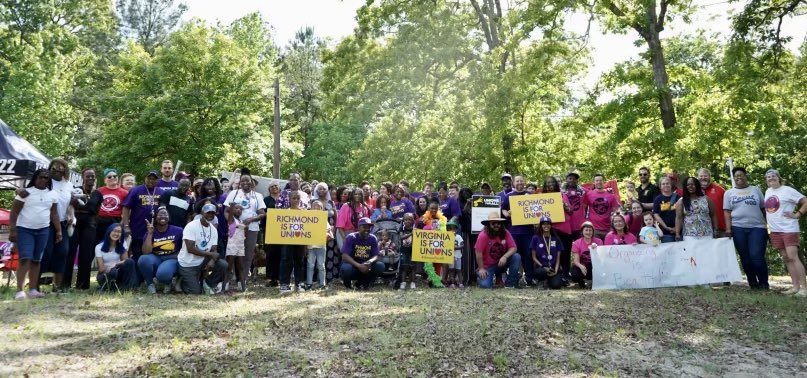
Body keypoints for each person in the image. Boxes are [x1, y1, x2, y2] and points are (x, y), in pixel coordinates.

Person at [9, 169, 61, 299]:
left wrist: (59, 230)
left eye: (46, 178)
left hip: (43, 230)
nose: (43, 180)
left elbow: (54, 213)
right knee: (25, 258)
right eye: (41, 177)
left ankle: (33, 290)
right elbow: (14, 212)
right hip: (25, 229)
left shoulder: (52, 194)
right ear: (35, 178)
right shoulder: (25, 193)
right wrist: (12, 230)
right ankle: (20, 291)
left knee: (36, 260)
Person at [724, 167, 769, 290]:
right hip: (738, 228)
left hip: (757, 227)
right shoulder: (729, 193)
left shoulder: (755, 189)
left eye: (741, 175)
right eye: (736, 176)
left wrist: (768, 225)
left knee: (756, 256)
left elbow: (763, 208)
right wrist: (728, 229)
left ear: (745, 175)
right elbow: (727, 212)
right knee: (745, 258)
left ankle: (764, 283)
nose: (739, 177)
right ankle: (753, 283)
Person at [763, 169, 807, 296]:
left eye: (773, 176)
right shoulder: (768, 191)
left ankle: (804, 288)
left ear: (779, 177)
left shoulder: (787, 190)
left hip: (788, 229)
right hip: (775, 230)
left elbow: (805, 201)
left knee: (793, 257)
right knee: (787, 258)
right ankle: (795, 287)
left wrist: (797, 214)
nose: (770, 178)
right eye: (768, 177)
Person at [35, 159, 74, 293]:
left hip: (62, 223)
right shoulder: (45, 181)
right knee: (45, 252)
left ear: (65, 169)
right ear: (49, 168)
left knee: (62, 252)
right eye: (54, 167)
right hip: (45, 222)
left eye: (61, 167)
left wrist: (71, 214)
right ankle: (35, 285)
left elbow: (69, 203)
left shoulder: (68, 184)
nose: (57, 169)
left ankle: (57, 286)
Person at [64, 168, 102, 290]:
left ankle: (83, 285)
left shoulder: (98, 193)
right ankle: (65, 284)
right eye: (88, 176)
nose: (90, 178)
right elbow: (70, 204)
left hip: (89, 225)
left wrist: (80, 203)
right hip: (74, 224)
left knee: (86, 255)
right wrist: (81, 203)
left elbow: (91, 208)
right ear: (83, 177)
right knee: (70, 253)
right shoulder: (76, 189)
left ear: (95, 178)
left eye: (92, 176)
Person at [224, 172, 266, 282]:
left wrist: (251, 219)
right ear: (240, 183)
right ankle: (231, 277)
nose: (245, 182)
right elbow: (226, 211)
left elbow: (262, 213)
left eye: (248, 180)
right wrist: (232, 222)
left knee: (248, 254)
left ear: (252, 182)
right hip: (236, 229)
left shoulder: (258, 196)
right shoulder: (234, 193)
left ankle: (243, 279)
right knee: (232, 253)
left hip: (252, 228)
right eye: (243, 180)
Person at [177, 204, 227, 295]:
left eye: (213, 213)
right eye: (208, 213)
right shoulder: (191, 226)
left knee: (223, 264)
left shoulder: (213, 229)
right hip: (188, 263)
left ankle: (208, 283)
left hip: (202, 260)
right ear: (202, 213)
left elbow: (214, 249)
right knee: (195, 292)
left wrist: (212, 260)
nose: (210, 215)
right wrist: (211, 255)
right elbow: (191, 249)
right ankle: (183, 281)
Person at [500, 175, 535, 285]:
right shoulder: (509, 196)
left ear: (524, 182)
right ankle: (515, 278)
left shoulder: (530, 195)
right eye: (517, 181)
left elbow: (536, 210)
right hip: (514, 232)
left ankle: (529, 279)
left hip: (528, 231)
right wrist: (506, 214)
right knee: (516, 256)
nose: (519, 183)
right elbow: (503, 209)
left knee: (529, 255)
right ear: (514, 183)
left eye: (521, 181)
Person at [139, 207, 183, 294]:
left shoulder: (178, 230)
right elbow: (146, 252)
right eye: (160, 214)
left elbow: (184, 249)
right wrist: (150, 234)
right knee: (143, 259)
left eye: (165, 214)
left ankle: (168, 282)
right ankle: (150, 284)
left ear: (169, 218)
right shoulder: (151, 231)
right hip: (156, 257)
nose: (163, 216)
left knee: (163, 275)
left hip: (172, 258)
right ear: (155, 218)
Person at [121, 170, 161, 261]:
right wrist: (126, 226)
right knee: (137, 255)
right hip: (137, 229)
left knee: (151, 256)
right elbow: (126, 208)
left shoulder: (160, 192)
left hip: (155, 231)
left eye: (153, 179)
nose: (151, 180)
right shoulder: (136, 190)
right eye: (149, 178)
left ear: (157, 180)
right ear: (145, 179)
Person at [475, 211, 521, 289]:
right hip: (488, 266)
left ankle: (510, 283)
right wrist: (481, 268)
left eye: (498, 223)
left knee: (516, 256)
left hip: (502, 263)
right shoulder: (483, 235)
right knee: (485, 286)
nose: (496, 225)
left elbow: (514, 248)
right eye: (493, 223)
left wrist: (505, 257)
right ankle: (480, 273)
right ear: (488, 224)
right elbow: (478, 252)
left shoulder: (505, 232)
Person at [542, 176, 574, 279]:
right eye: (547, 185)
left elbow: (571, 211)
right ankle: (553, 275)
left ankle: (565, 275)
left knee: (565, 253)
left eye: (551, 184)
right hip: (550, 230)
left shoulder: (562, 195)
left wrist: (564, 205)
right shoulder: (541, 199)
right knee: (551, 253)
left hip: (565, 229)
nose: (549, 186)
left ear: (556, 185)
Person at [340, 217, 385, 289]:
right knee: (346, 268)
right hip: (353, 266)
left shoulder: (373, 238)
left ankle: (363, 283)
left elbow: (376, 255)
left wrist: (369, 262)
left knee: (380, 266)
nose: (367, 229)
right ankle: (348, 285)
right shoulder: (351, 237)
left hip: (366, 267)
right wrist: (359, 266)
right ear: (358, 227)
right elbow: (344, 256)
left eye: (369, 227)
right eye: (364, 227)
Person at [95, 223, 139, 291]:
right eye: (114, 231)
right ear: (109, 231)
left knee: (131, 262)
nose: (116, 233)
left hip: (117, 271)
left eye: (119, 232)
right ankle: (110, 287)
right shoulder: (99, 247)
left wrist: (115, 264)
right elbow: (101, 269)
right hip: (105, 274)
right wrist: (111, 267)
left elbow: (126, 261)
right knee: (113, 272)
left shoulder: (122, 245)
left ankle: (129, 287)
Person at [279, 191, 307, 294]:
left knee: (299, 260)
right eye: (293, 198)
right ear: (289, 200)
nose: (295, 200)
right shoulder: (285, 212)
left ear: (300, 200)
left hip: (300, 239)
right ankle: (284, 284)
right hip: (287, 240)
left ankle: (299, 284)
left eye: (297, 198)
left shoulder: (305, 213)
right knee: (286, 260)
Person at [675, 177, 718, 241]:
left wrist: (716, 229)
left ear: (697, 185)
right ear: (685, 187)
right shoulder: (681, 201)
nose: (690, 186)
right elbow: (679, 218)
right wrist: (677, 234)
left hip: (707, 234)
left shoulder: (706, 199)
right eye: (688, 185)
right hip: (689, 236)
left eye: (693, 184)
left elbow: (713, 215)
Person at [95, 169, 129, 247]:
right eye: (109, 177)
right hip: (100, 221)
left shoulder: (124, 192)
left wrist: (121, 224)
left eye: (115, 176)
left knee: (112, 245)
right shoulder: (99, 191)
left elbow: (127, 211)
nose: (112, 178)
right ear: (105, 180)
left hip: (115, 221)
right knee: (97, 244)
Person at [583, 174, 621, 240]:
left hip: (608, 228)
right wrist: (585, 221)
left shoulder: (610, 195)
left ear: (603, 182)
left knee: (608, 249)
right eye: (597, 180)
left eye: (600, 180)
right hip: (594, 229)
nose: (599, 182)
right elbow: (584, 208)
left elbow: (616, 210)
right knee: (596, 248)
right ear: (594, 182)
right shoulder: (589, 194)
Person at [530, 216, 563, 289]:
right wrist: (543, 267)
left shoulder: (556, 239)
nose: (546, 226)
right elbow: (534, 257)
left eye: (548, 224)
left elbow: (558, 259)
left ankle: (549, 281)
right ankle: (541, 281)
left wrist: (556, 271)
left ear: (551, 225)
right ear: (540, 226)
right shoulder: (535, 238)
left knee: (556, 286)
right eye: (544, 224)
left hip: (553, 268)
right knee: (541, 272)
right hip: (541, 267)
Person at [306, 200, 333, 290]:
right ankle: (309, 283)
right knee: (310, 265)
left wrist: (328, 234)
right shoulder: (308, 219)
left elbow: (328, 231)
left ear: (322, 209)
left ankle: (322, 283)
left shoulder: (323, 220)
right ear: (311, 208)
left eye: (319, 207)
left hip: (321, 246)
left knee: (321, 265)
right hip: (310, 246)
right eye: (315, 206)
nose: (317, 208)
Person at [570, 222, 602, 289]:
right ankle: (581, 283)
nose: (588, 232)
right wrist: (581, 266)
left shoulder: (599, 241)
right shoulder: (577, 243)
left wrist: (596, 250)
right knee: (574, 273)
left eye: (590, 230)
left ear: (593, 232)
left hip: (593, 266)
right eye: (586, 230)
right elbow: (576, 261)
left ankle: (594, 282)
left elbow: (601, 259)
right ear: (582, 231)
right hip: (582, 266)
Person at [224, 203, 247, 292]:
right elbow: (229, 217)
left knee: (241, 267)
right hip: (232, 245)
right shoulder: (232, 219)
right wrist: (231, 206)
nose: (239, 210)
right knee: (229, 266)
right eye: (236, 208)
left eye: (241, 209)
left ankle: (242, 286)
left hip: (240, 246)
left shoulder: (241, 221)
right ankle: (224, 285)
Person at [262, 182, 282, 286]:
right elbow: (262, 213)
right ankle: (270, 277)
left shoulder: (284, 199)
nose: (274, 187)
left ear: (280, 188)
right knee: (270, 253)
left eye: (276, 186)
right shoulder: (266, 200)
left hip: (282, 229)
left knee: (280, 253)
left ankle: (279, 277)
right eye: (272, 186)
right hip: (269, 228)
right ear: (269, 189)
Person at [698, 168, 726, 236]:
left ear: (710, 177)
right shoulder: (694, 191)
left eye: (705, 176)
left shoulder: (720, 190)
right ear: (697, 177)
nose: (703, 178)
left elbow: (728, 209)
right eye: (701, 176)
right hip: (701, 230)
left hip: (720, 229)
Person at [652, 177, 679, 243]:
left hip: (679, 231)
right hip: (665, 232)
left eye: (667, 183)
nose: (665, 185)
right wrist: (666, 227)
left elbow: (682, 214)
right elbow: (656, 215)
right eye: (663, 184)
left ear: (671, 185)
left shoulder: (678, 197)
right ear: (660, 186)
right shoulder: (657, 199)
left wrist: (677, 228)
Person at [397, 213, 417, 290]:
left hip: (413, 251)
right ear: (403, 220)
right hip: (404, 251)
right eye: (406, 219)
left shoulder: (415, 229)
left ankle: (413, 282)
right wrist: (411, 234)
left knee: (413, 267)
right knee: (404, 267)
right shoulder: (402, 228)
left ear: (413, 221)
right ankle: (403, 283)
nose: (408, 221)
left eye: (410, 219)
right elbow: (401, 237)